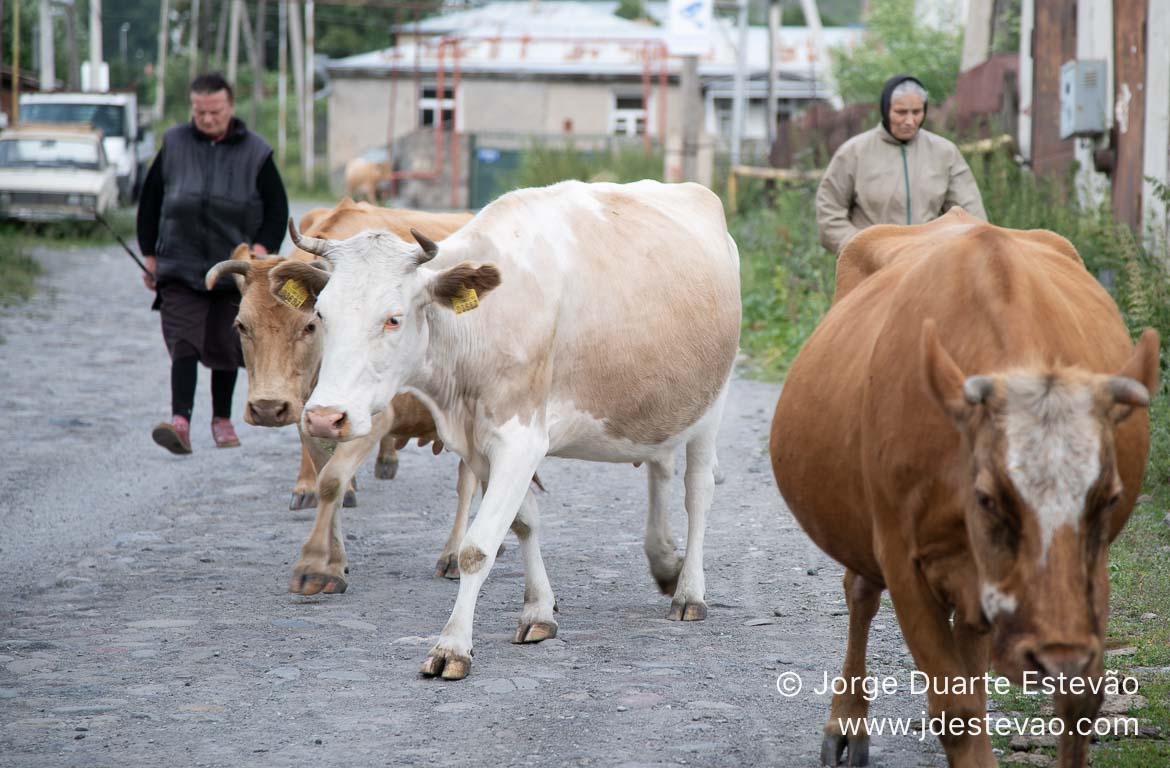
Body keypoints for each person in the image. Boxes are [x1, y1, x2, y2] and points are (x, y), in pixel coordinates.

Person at [138, 73, 289, 454]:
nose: (206, 118)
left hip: (232, 268)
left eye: (214, 111)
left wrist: (260, 250)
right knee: (183, 340)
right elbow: (150, 201)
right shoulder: (173, 143)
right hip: (180, 263)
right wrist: (150, 255)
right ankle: (180, 422)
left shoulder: (256, 151)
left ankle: (222, 420)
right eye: (199, 111)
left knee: (227, 342)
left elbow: (277, 208)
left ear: (230, 107)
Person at [815, 73, 987, 255]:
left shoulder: (944, 153)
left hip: (926, 264)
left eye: (917, 112)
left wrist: (951, 251)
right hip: (872, 267)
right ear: (885, 110)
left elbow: (971, 216)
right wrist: (864, 249)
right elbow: (829, 214)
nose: (909, 121)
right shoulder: (853, 153)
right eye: (901, 112)